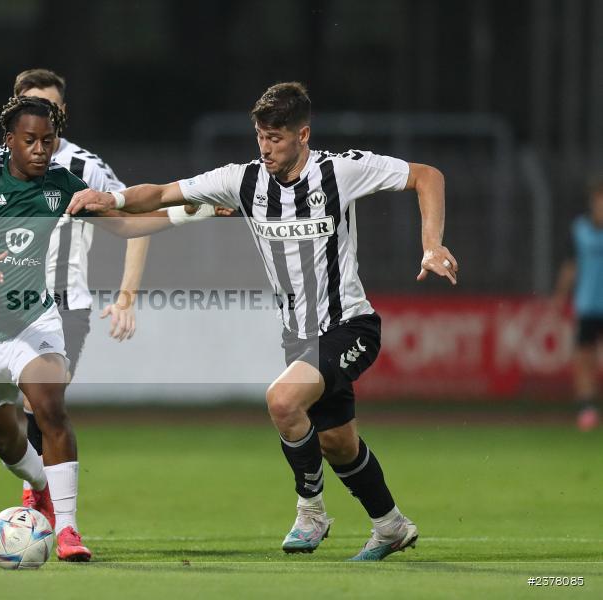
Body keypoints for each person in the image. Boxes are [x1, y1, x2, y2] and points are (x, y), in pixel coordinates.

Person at [67, 82, 458, 561]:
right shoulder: (242, 180)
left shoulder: (341, 170)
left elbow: (427, 175)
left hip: (349, 326)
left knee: (281, 399)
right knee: (338, 444)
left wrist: (431, 244)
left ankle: (310, 512)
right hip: (298, 338)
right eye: (260, 136)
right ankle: (391, 525)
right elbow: (164, 192)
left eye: (275, 137)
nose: (266, 147)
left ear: (303, 135)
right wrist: (115, 201)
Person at [0, 95, 216, 561]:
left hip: (33, 315)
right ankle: (38, 481)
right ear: (8, 141)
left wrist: (192, 212)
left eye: (48, 141)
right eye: (30, 140)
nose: (41, 150)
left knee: (49, 403)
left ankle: (69, 529)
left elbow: (124, 227)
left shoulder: (62, 185)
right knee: (0, 435)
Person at [553, 178, 603, 431]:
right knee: (585, 359)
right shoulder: (580, 230)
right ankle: (586, 408)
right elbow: (571, 265)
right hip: (588, 305)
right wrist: (560, 295)